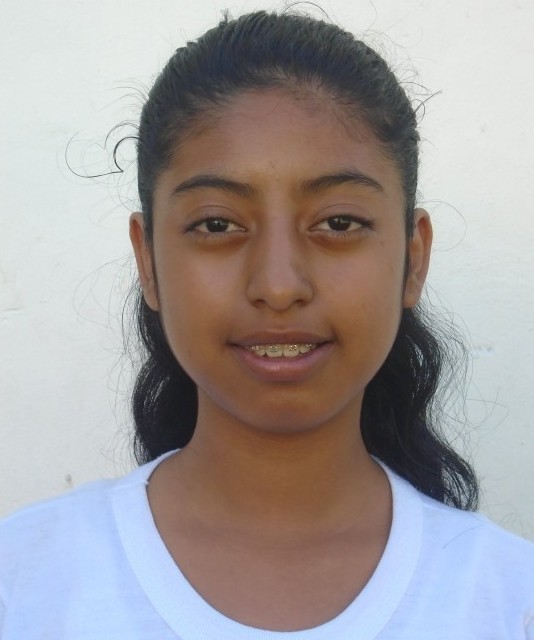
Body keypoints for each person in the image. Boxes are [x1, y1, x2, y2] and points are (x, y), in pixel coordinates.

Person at [1, 9, 533, 639]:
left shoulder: (509, 600)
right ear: (148, 261)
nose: (279, 286)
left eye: (338, 223)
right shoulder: (24, 583)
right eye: (217, 224)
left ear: (413, 259)